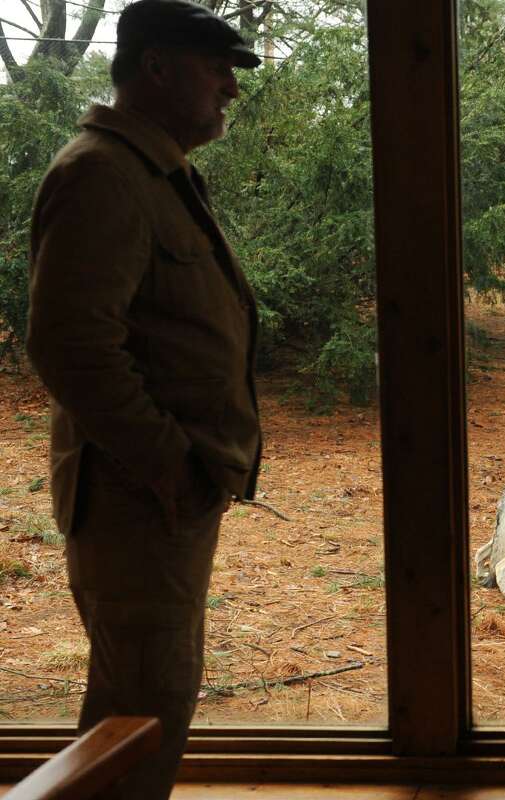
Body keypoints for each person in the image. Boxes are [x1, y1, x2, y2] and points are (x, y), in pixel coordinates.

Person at [25, 1, 262, 796]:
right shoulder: (102, 174)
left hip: (158, 498)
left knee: (149, 699)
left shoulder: (144, 170)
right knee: (138, 714)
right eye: (217, 68)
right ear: (156, 68)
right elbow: (71, 347)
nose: (231, 88)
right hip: (138, 499)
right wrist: (174, 466)